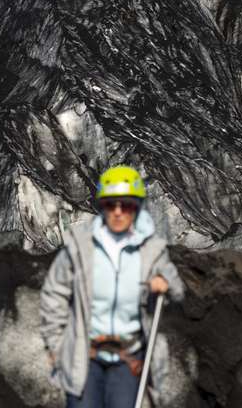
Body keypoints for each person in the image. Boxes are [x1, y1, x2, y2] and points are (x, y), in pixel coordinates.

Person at [40, 166, 185, 408]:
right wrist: (56, 346)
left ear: (136, 207)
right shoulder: (80, 247)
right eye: (111, 205)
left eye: (126, 205)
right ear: (102, 207)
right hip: (83, 355)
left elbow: (177, 292)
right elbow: (54, 294)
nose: (118, 212)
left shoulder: (151, 250)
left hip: (129, 359)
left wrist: (164, 285)